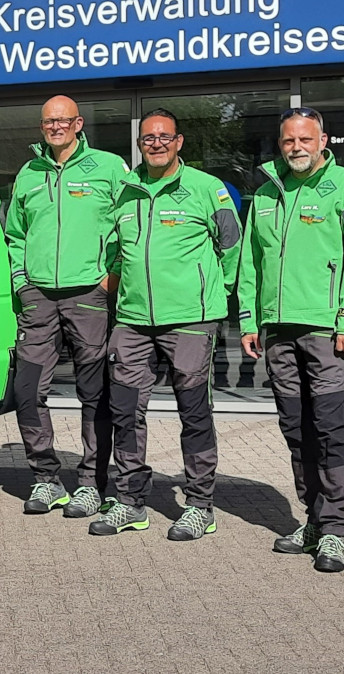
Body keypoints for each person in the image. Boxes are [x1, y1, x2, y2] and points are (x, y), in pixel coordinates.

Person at [238, 107, 344, 572]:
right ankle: (313, 520)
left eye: (304, 140)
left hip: (326, 332)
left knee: (330, 430)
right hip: (278, 331)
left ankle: (336, 529)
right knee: (296, 431)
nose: (296, 148)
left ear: (323, 141)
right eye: (288, 141)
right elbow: (251, 264)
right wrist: (249, 319)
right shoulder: (264, 193)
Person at [94, 109, 241, 541]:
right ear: (139, 145)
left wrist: (217, 298)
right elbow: (115, 250)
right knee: (125, 412)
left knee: (193, 413)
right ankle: (131, 502)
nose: (155, 144)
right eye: (147, 139)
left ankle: (200, 505)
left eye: (163, 137)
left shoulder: (206, 189)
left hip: (192, 321)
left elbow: (231, 245)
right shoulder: (125, 191)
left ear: (179, 142)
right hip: (133, 321)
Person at [3, 95, 128, 519]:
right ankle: (46, 479)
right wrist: (21, 282)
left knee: (94, 393)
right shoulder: (29, 173)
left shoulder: (109, 167)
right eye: (47, 123)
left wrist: (110, 274)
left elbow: (129, 224)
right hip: (38, 298)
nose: (54, 128)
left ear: (78, 124)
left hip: (88, 298)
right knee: (27, 390)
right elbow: (15, 234)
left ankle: (91, 484)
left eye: (62, 121)